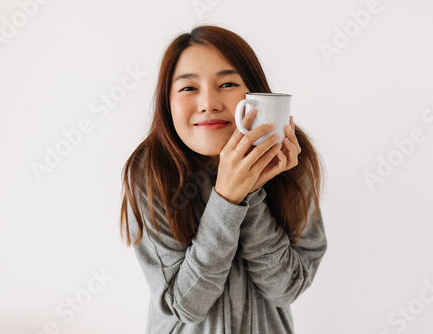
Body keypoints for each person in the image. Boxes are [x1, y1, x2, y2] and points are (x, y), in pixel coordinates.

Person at [120, 24, 327, 334]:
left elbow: (287, 289)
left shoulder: (290, 161)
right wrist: (228, 199)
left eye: (227, 83)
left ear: (255, 94)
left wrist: (252, 192)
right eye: (188, 88)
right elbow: (185, 305)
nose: (209, 103)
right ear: (167, 102)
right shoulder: (151, 174)